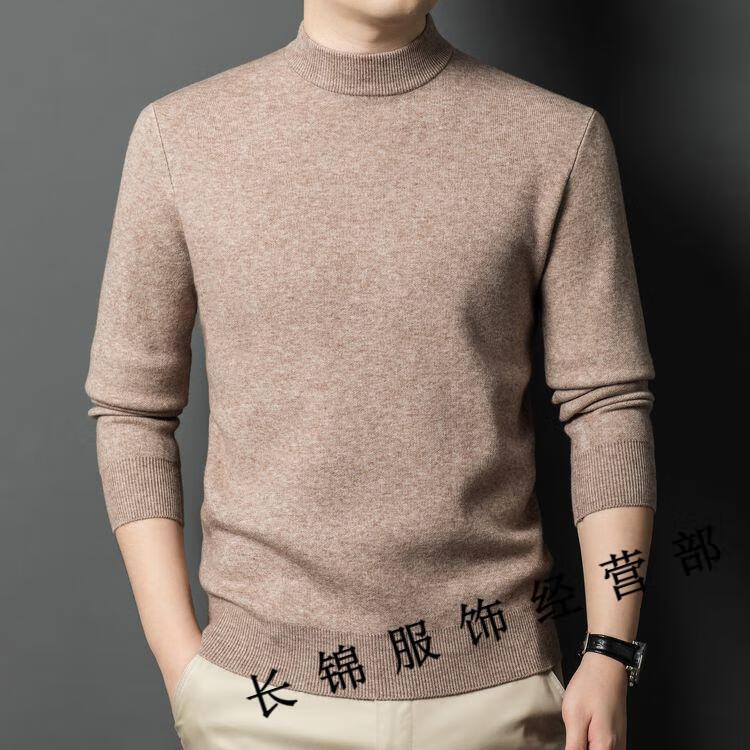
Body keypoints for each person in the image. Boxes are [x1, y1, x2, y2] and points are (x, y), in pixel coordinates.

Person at [84, 1, 656, 748]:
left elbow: (609, 405)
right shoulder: (180, 136)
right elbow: (133, 409)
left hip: (496, 695)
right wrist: (181, 665)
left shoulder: (555, 138)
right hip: (259, 706)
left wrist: (610, 652)